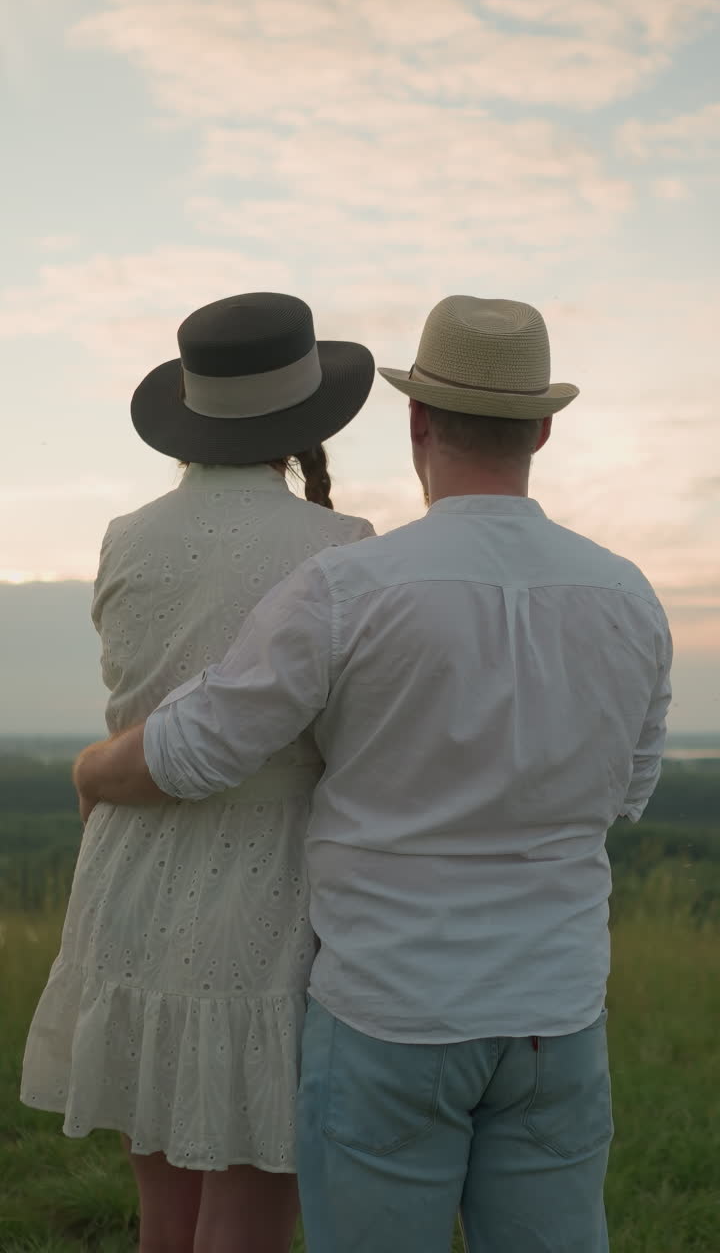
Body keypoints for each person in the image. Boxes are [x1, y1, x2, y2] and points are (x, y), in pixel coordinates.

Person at [72, 296, 672, 1253]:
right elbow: (629, 789)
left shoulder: (352, 586)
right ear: (545, 429)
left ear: (418, 420)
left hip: (392, 1010)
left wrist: (98, 768)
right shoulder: (628, 595)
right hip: (555, 1016)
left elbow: (202, 745)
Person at [21, 292, 375, 1253]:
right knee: (252, 1211)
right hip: (267, 888)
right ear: (304, 421)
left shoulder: (124, 535)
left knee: (165, 1216)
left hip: (130, 870)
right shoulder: (342, 548)